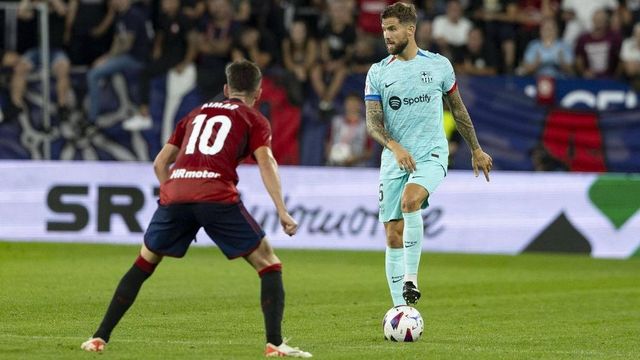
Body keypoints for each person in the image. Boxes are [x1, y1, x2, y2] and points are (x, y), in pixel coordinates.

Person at [80, 60, 312, 358]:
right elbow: (266, 161)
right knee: (269, 263)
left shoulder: (195, 113)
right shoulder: (254, 119)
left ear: (226, 89)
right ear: (259, 93)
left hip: (177, 191)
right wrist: (282, 209)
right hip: (215, 194)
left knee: (143, 263)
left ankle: (99, 338)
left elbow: (160, 163)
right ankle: (275, 344)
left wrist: (171, 199)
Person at [364, 3, 492, 306]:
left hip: (432, 154)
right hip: (395, 158)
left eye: (392, 28)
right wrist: (394, 147)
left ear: (411, 29)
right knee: (393, 234)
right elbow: (372, 122)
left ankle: (411, 278)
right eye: (384, 29)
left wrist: (475, 149)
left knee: (411, 200)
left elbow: (458, 109)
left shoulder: (438, 66)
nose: (387, 35)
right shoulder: (378, 72)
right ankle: (400, 310)